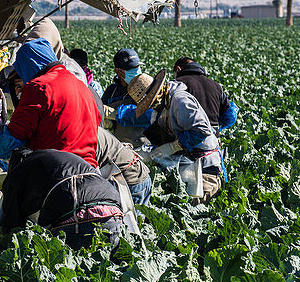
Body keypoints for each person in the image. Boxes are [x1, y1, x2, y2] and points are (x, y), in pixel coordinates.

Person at [0, 38, 101, 167]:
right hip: (88, 168)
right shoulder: (82, 86)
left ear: (27, 66)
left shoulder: (38, 86)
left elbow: (14, 136)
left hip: (55, 170)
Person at [0, 148, 124, 250]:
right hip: (113, 209)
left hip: (78, 215)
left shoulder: (16, 175)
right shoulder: (55, 158)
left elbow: (12, 221)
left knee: (70, 277)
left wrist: (4, 247)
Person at [129, 70, 223, 201]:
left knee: (194, 206)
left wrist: (174, 146)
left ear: (159, 91)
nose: (152, 106)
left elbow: (202, 130)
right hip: (185, 166)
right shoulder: (160, 109)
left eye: (151, 102)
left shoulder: (180, 100)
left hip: (204, 168)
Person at [173, 57, 239, 132]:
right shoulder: (216, 86)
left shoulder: (177, 84)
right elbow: (230, 116)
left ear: (178, 69)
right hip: (213, 140)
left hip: (187, 140)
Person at [97, 127, 152, 205]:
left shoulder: (84, 138)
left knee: (129, 217)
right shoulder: (90, 129)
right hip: (134, 176)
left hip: (130, 183)